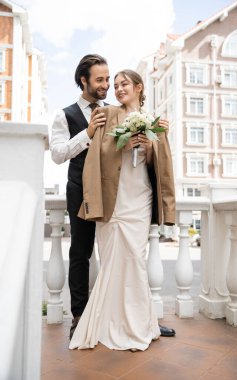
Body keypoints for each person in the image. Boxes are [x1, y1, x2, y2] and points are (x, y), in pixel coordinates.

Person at [69, 69, 176, 352]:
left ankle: (139, 324)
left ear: (139, 87)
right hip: (113, 200)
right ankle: (112, 322)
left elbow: (159, 165)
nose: (117, 89)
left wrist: (150, 145)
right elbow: (97, 155)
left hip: (140, 198)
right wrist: (123, 144)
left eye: (123, 84)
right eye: (115, 85)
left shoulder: (156, 121)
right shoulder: (107, 114)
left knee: (135, 260)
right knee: (113, 261)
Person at [50, 54, 110, 339]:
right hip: (80, 191)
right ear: (83, 80)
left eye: (107, 79)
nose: (106, 85)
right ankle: (80, 316)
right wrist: (87, 132)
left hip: (112, 193)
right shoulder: (65, 114)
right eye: (100, 80)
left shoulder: (115, 111)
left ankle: (115, 313)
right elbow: (58, 155)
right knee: (80, 254)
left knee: (115, 252)